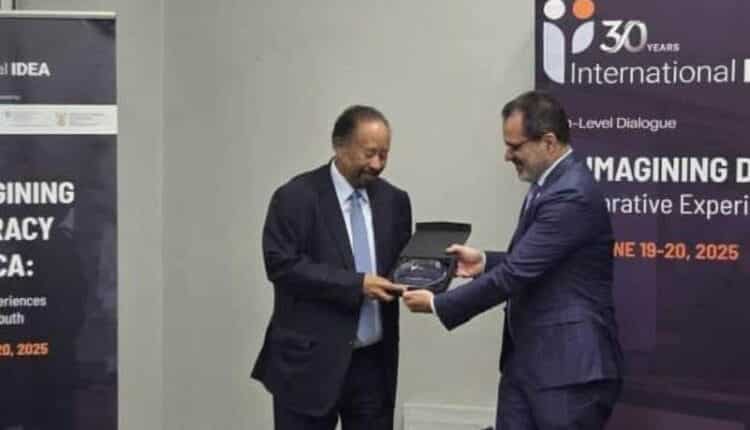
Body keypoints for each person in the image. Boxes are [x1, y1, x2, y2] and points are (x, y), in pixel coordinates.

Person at [403, 91, 623, 429]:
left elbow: (515, 274)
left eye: (515, 146)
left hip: (568, 371)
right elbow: (544, 263)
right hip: (527, 363)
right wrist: (484, 261)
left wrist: (438, 304)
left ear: (548, 142)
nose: (507, 155)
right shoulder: (547, 185)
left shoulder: (571, 194)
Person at [252, 105, 412, 430]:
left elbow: (400, 265)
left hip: (372, 367)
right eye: (369, 153)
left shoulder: (395, 201)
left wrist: (432, 272)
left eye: (384, 154)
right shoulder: (295, 197)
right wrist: (357, 285)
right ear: (339, 146)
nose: (377, 164)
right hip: (308, 365)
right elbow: (282, 265)